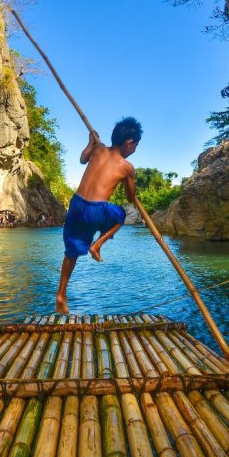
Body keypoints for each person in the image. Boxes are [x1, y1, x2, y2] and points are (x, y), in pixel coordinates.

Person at [55, 117, 141, 314]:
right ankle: (97, 245)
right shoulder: (127, 167)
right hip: (95, 210)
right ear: (129, 142)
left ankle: (61, 295)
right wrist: (130, 180)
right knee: (120, 214)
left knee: (71, 253)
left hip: (76, 205)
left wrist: (91, 143)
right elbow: (130, 197)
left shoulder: (99, 149)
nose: (134, 150)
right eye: (135, 146)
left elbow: (82, 159)